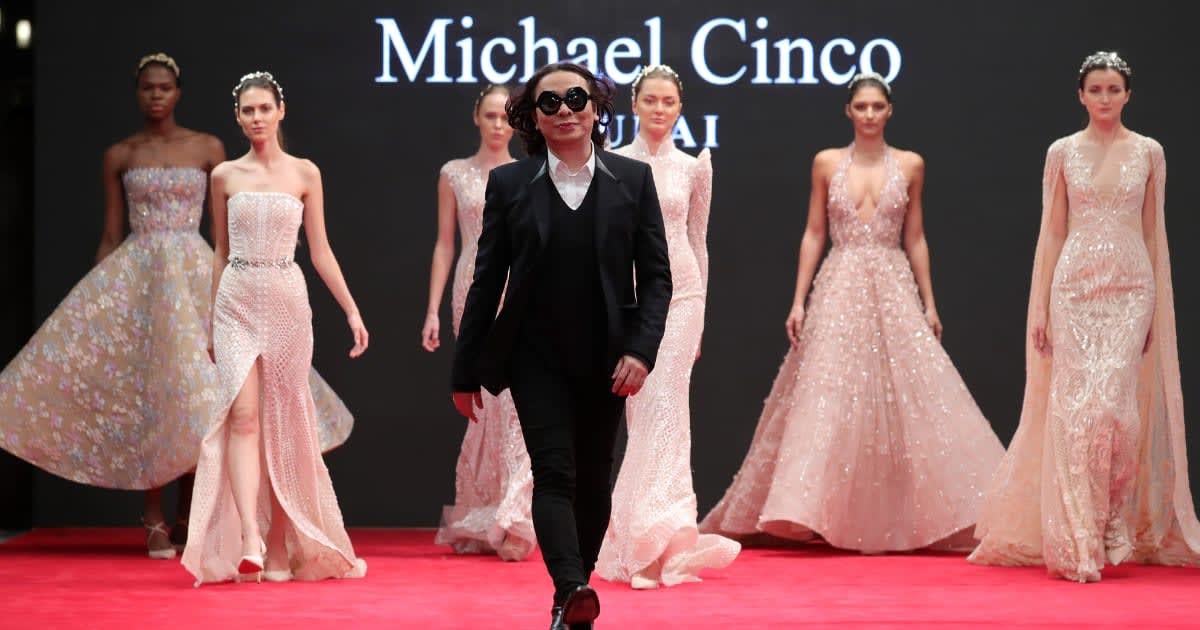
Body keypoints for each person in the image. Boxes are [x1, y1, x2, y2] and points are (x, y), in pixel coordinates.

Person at [0, 54, 353, 560]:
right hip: (145, 276)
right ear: (138, 93)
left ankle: (198, 515)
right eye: (148, 87)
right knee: (161, 392)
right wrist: (98, 298)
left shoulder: (208, 149)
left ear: (179, 91)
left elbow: (227, 236)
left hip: (201, 272)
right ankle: (161, 518)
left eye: (165, 86)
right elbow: (110, 232)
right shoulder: (121, 153)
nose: (157, 95)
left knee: (198, 394)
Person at [700, 72, 1004, 553]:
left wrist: (930, 302)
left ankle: (912, 515)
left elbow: (916, 236)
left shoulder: (910, 164)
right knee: (828, 398)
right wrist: (798, 299)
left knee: (913, 397)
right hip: (839, 284)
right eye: (860, 106)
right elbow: (814, 232)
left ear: (889, 111)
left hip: (892, 281)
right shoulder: (826, 163)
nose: (868, 115)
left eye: (876, 107)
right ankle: (813, 513)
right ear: (848, 111)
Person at [451, 62, 671, 630]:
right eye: (550, 103)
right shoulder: (509, 184)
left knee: (596, 479)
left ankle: (572, 598)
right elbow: (486, 279)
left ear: (597, 108)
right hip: (534, 356)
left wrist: (642, 351)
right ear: (534, 118)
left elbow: (656, 278)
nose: (565, 109)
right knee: (555, 475)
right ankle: (571, 585)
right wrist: (464, 371)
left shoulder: (633, 180)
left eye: (577, 98)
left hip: (609, 357)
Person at [969, 51, 1200, 582]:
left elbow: (1151, 232)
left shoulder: (1149, 152)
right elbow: (1052, 229)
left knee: (1116, 412)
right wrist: (1043, 303)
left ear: (1127, 95)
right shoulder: (1061, 152)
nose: (1104, 98)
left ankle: (1113, 515)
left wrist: (1153, 309)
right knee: (1077, 412)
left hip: (1129, 287)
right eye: (1095, 89)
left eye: (1113, 89)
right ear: (1080, 95)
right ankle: (1079, 539)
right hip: (1073, 288)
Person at [182, 71, 368, 584]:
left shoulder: (305, 173)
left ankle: (284, 547)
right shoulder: (223, 176)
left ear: (280, 111)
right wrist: (211, 321)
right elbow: (220, 250)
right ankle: (249, 538)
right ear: (238, 117)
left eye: (264, 108)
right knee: (240, 418)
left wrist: (351, 310)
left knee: (286, 422)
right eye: (248, 111)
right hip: (237, 299)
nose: (256, 118)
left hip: (287, 299)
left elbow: (321, 250)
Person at [596, 65, 739, 589]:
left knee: (670, 414)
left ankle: (665, 544)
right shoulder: (612, 164)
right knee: (641, 413)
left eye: (669, 101)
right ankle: (641, 543)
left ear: (680, 108)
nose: (660, 109)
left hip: (683, 297)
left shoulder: (693, 167)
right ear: (634, 105)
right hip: (632, 302)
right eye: (651, 100)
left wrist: (700, 320)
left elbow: (698, 241)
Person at [423, 85, 535, 561]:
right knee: (483, 404)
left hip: (518, 290)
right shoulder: (454, 174)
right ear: (476, 117)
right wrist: (431, 309)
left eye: (505, 116)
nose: (497, 124)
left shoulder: (528, 173)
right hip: (470, 291)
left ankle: (513, 517)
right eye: (489, 115)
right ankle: (482, 510)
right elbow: (445, 244)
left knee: (517, 404)